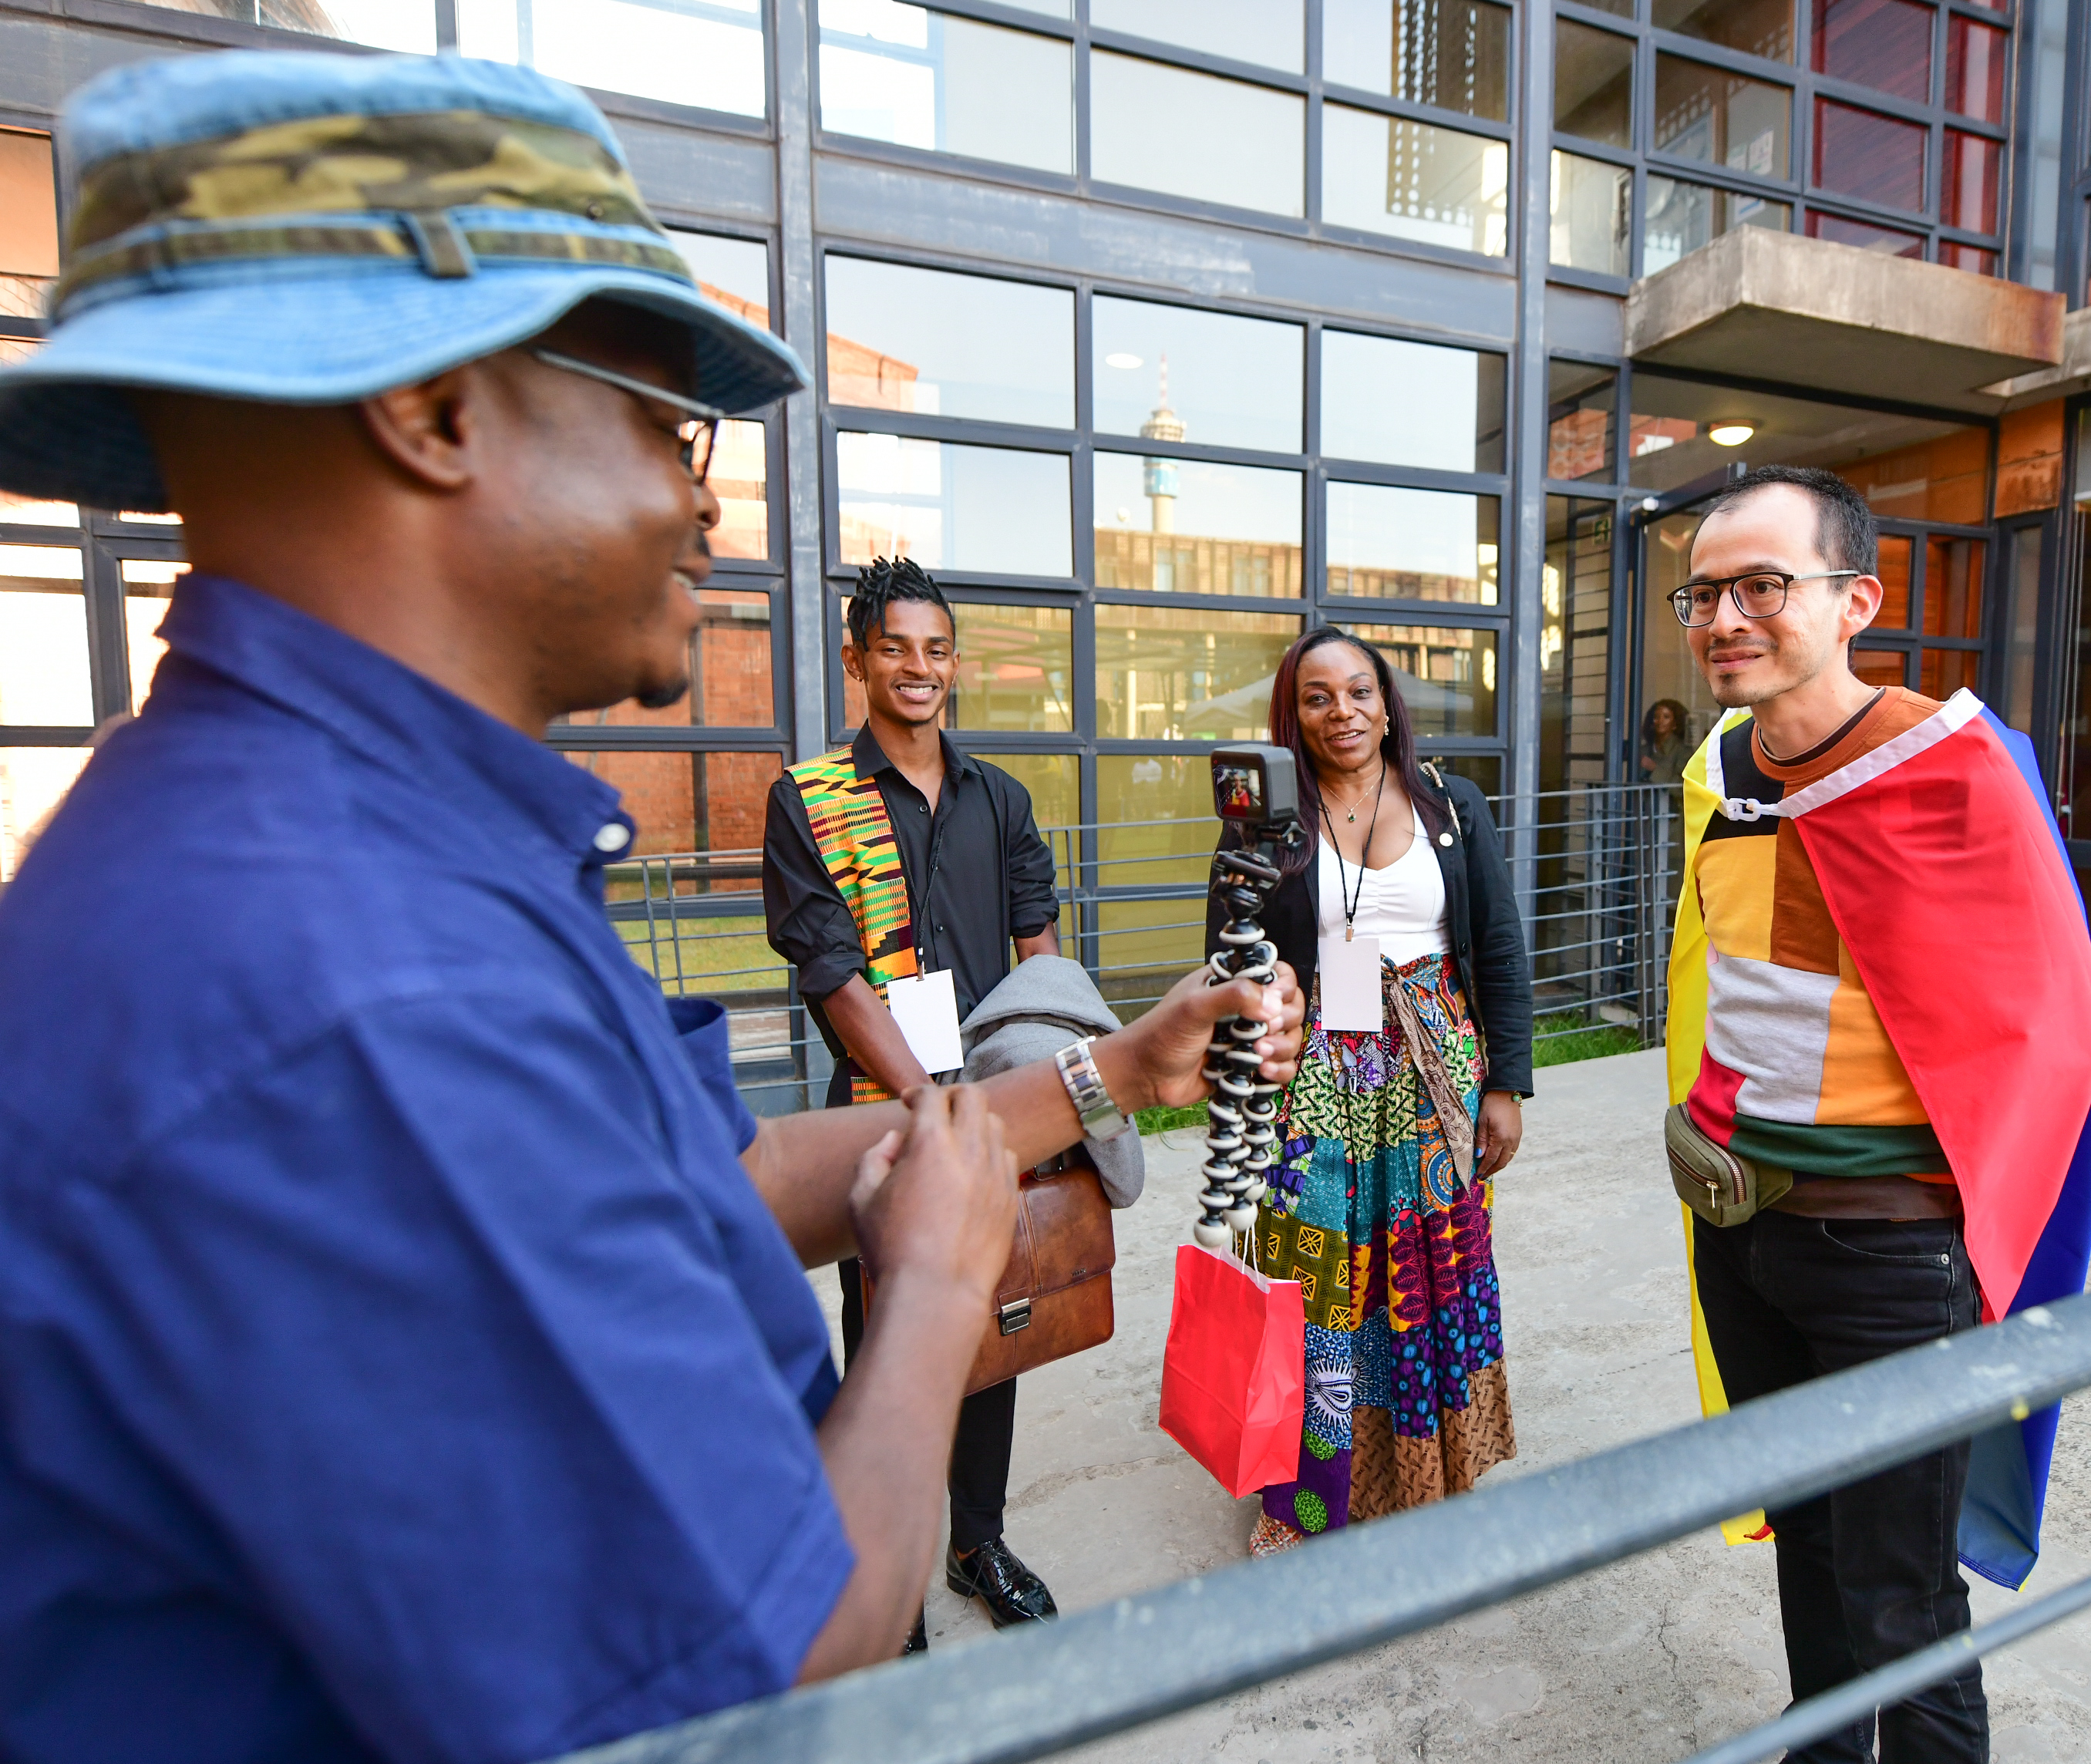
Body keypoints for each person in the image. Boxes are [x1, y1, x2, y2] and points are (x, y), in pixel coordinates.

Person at [0, 51, 1300, 1764]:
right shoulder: (353, 985)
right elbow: (764, 1671)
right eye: (659, 421)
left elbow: (716, 1181)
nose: (701, 495)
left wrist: (1106, 1073)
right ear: (438, 405)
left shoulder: (377, 846)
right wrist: (925, 1293)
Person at [1662, 466, 2091, 1762]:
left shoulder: (1951, 769)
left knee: (1901, 1589)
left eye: (1763, 585)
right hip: (1741, 1228)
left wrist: (1977, 1236)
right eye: (1704, 593)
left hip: (1891, 1252)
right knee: (1806, 1534)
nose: (1725, 616)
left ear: (1858, 598)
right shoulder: (1722, 767)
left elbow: (2059, 1024)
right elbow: (1729, 980)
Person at [760, 551, 1065, 1646]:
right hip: (885, 1115)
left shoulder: (1004, 799)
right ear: (857, 659)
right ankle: (891, 1587)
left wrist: (1044, 1072)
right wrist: (924, 1101)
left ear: (955, 664)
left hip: (994, 1103)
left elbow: (1038, 944)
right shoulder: (811, 801)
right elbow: (833, 973)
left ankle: (976, 1543)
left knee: (1002, 1315)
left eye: (936, 650)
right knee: (890, 1326)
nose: (918, 668)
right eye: (895, 649)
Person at [1207, 627, 1533, 1555]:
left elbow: (1499, 949)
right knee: (1312, 1284)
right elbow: (1224, 963)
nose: (1340, 711)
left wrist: (1506, 1083)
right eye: (1317, 697)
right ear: (1294, 716)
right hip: (1313, 1079)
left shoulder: (1452, 807)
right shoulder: (1263, 821)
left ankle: (1427, 1477)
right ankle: (1309, 1500)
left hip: (1433, 1073)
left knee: (1429, 1275)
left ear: (1387, 703)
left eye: (1358, 692)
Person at [1639, 696, 1698, 783]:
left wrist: (1654, 769)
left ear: (1675, 724)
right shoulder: (1644, 750)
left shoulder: (1683, 751)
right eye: (1656, 717)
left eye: (1666, 717)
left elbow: (1682, 786)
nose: (1660, 721)